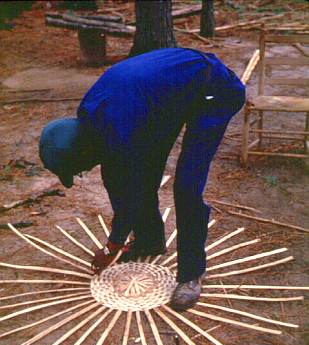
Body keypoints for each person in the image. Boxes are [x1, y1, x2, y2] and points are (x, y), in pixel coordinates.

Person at [39, 47, 245, 310]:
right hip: (170, 94)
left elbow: (131, 189)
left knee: (186, 185)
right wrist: (116, 238)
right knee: (139, 170)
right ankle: (151, 240)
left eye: (79, 169)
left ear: (82, 155)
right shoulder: (92, 116)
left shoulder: (118, 128)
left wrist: (113, 245)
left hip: (214, 91)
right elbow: (118, 179)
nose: (85, 172)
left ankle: (192, 273)